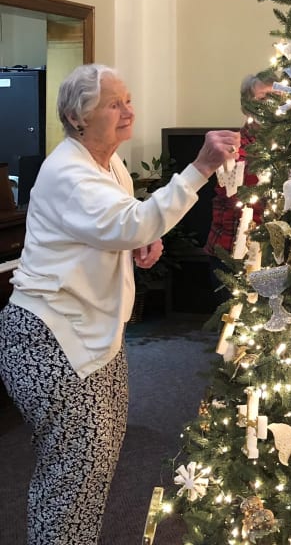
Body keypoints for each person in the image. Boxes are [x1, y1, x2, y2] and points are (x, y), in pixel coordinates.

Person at [0, 63, 239, 545]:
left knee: (95, 464)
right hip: (52, 338)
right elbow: (132, 223)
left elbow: (119, 225)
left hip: (94, 333)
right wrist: (201, 168)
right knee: (71, 476)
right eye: (115, 104)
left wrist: (133, 244)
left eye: (128, 99)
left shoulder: (108, 164)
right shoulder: (69, 171)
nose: (129, 111)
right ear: (78, 117)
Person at [205, 74, 273, 267]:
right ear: (246, 107)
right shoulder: (231, 147)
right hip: (232, 254)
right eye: (263, 98)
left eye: (278, 97)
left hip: (276, 256)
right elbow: (238, 193)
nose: (272, 105)